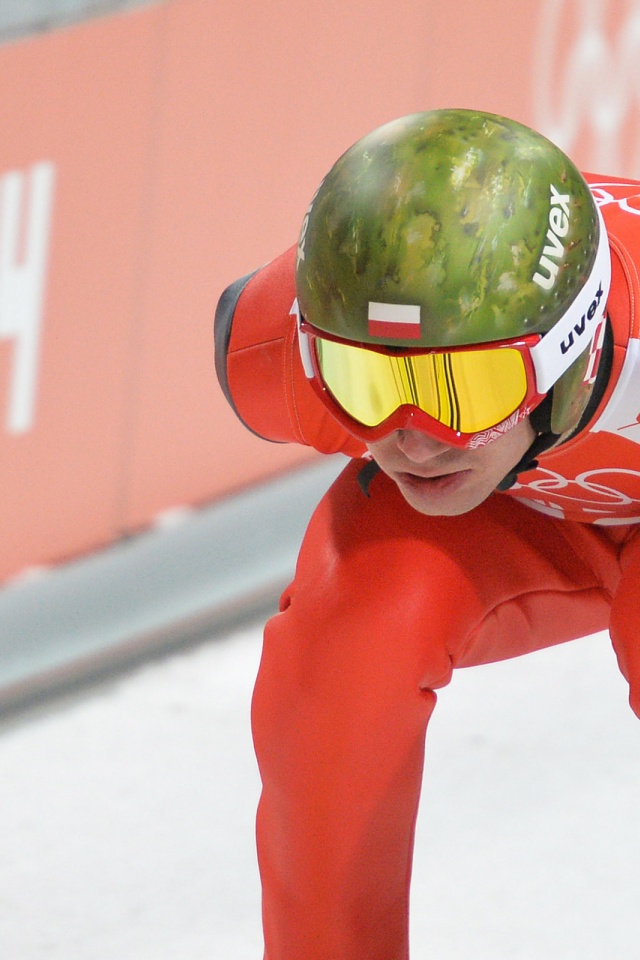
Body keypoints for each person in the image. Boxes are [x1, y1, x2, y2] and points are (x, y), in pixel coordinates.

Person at [214, 109, 640, 960]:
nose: (415, 438)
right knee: (352, 638)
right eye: (368, 383)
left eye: (466, 388)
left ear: (576, 347)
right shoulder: (275, 365)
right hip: (520, 508)